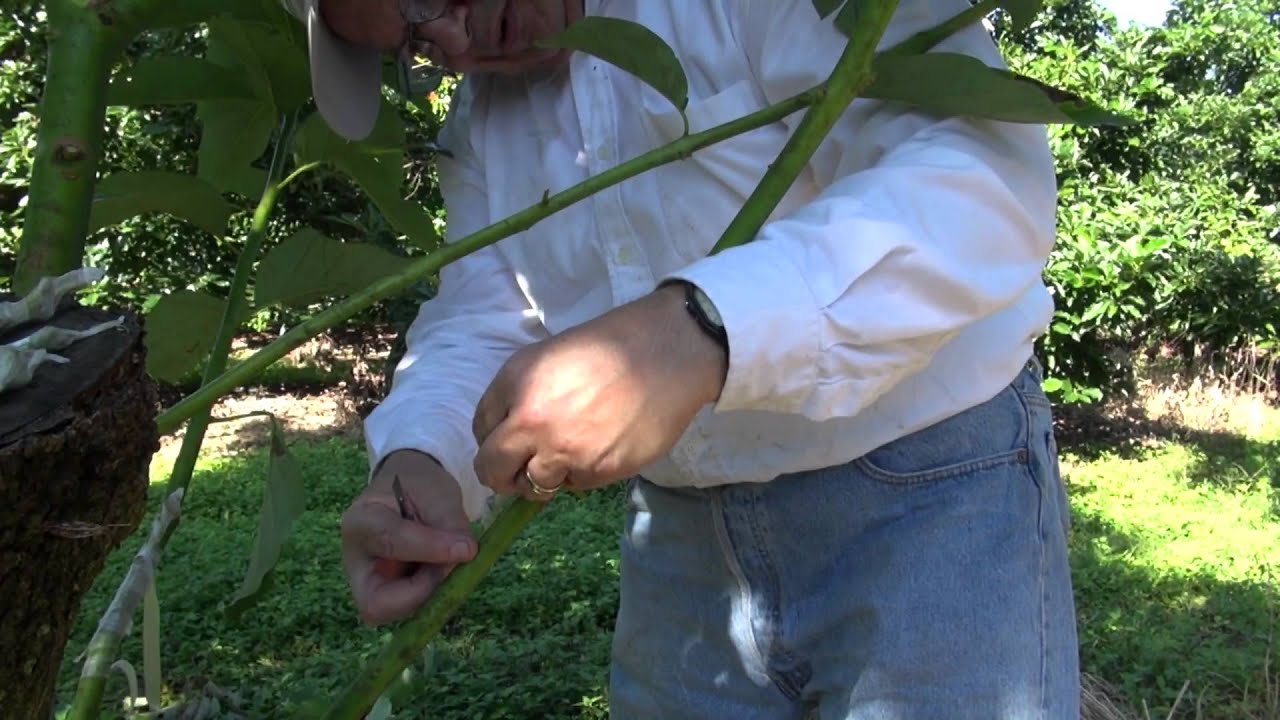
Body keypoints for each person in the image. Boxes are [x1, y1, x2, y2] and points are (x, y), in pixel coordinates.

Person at [283, 0, 1081, 717]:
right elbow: (489, 310)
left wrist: (703, 329)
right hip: (682, 538)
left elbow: (979, 179)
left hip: (928, 500)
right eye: (415, 45)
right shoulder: (486, 119)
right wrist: (424, 458)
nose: (454, 40)